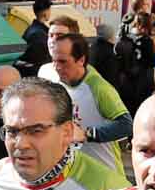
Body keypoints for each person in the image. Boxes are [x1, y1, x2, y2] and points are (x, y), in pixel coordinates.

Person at [38, 30, 132, 170]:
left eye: (63, 62)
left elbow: (126, 125)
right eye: (54, 61)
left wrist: (88, 134)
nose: (57, 67)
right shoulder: (53, 80)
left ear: (81, 60)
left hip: (104, 173)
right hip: (74, 172)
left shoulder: (99, 88)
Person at [19, 0, 53, 72]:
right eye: (49, 10)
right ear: (45, 12)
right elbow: (40, 62)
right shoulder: (38, 34)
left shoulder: (32, 29)